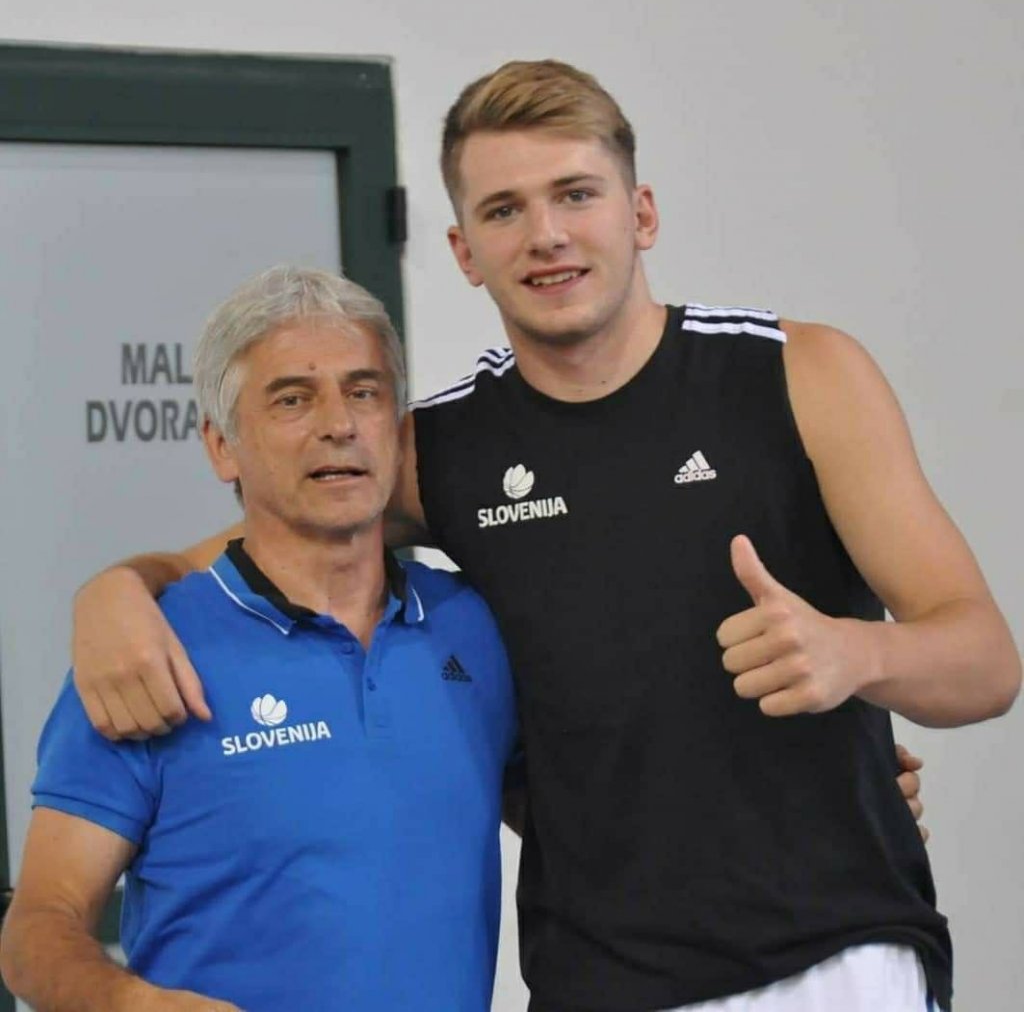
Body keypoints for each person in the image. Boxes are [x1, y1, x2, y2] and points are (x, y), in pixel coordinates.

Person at [67, 61, 1019, 1012]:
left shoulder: (799, 374)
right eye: (504, 210)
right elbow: (257, 545)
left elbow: (985, 662)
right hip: (596, 983)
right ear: (464, 250)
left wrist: (855, 655)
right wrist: (111, 594)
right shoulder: (440, 450)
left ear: (641, 213)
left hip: (833, 958)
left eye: (576, 194)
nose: (547, 235)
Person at [0, 267, 518, 1012]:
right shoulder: (148, 649)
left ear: (398, 431)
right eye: (292, 399)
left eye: (364, 392)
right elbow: (37, 929)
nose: (339, 423)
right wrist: (135, 1006)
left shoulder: (473, 625)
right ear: (222, 447)